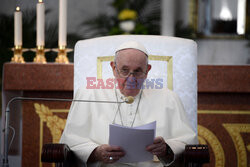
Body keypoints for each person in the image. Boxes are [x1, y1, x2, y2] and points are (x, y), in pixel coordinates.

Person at [60, 41, 198, 167]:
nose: (131, 79)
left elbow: (187, 142)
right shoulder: (88, 94)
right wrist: (96, 152)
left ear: (147, 71)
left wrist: (166, 149)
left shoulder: (169, 98)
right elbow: (71, 140)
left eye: (137, 71)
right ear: (113, 68)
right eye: (124, 70)